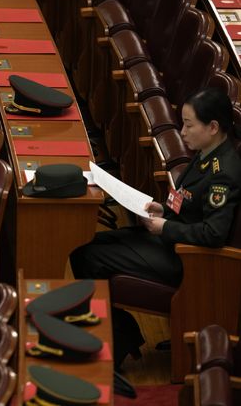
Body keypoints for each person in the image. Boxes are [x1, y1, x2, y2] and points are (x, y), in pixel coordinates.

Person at [70, 88, 241, 368]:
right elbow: (188, 200)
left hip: (186, 259)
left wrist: (165, 228)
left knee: (90, 258)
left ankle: (120, 336)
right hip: (170, 239)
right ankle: (121, 332)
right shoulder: (206, 153)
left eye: (188, 125)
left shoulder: (224, 173)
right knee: (84, 247)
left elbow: (213, 234)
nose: (182, 132)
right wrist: (163, 208)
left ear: (212, 127)